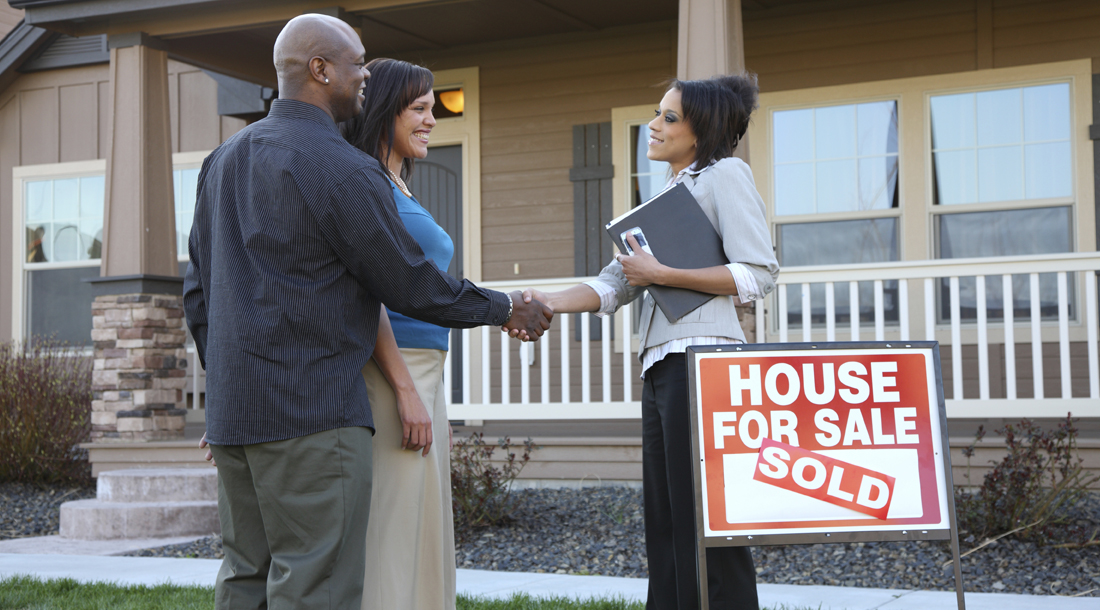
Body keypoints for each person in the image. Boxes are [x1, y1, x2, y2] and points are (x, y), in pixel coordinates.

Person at [182, 14, 551, 610]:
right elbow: (408, 284)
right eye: (357, 64)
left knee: (246, 578)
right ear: (320, 70)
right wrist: (504, 306)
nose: (365, 76)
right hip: (314, 418)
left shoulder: (221, 161)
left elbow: (198, 292)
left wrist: (225, 382)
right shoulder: (342, 167)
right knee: (314, 587)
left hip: (234, 415)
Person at [522, 74, 779, 610]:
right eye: (656, 114)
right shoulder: (667, 192)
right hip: (662, 364)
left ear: (701, 128)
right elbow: (615, 284)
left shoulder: (725, 174)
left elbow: (758, 273)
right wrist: (539, 301)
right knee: (666, 516)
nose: (653, 125)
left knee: (705, 511)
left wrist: (662, 271)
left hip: (705, 360)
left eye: (668, 117)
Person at [339, 58, 458, 610]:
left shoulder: (398, 184)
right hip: (392, 372)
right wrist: (407, 389)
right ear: (385, 111)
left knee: (422, 521)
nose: (431, 120)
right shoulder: (365, 184)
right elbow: (369, 292)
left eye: (433, 109)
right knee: (393, 525)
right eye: (419, 109)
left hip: (426, 369)